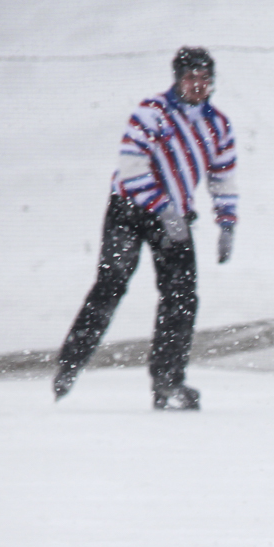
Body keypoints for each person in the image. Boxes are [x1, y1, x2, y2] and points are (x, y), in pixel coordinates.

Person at [54, 46, 237, 411]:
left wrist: (226, 222)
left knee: (182, 296)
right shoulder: (151, 113)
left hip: (176, 217)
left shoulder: (218, 124)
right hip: (129, 209)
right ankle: (69, 366)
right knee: (111, 284)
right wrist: (164, 209)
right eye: (191, 77)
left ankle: (168, 382)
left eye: (205, 78)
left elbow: (222, 176)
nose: (198, 85)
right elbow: (130, 170)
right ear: (177, 79)